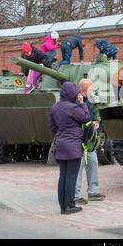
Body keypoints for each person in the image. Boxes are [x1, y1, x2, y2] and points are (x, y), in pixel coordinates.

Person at [48, 82, 90, 215]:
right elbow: (86, 118)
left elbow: (52, 127)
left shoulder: (55, 107)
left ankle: (63, 206)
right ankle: (70, 206)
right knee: (71, 177)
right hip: (73, 145)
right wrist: (83, 103)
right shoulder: (73, 107)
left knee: (63, 176)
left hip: (60, 144)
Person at [75, 79, 106, 205]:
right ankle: (76, 195)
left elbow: (91, 115)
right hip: (79, 140)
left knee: (93, 163)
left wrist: (96, 121)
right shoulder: (76, 102)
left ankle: (93, 192)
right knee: (78, 167)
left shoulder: (88, 100)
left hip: (89, 140)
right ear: (85, 89)